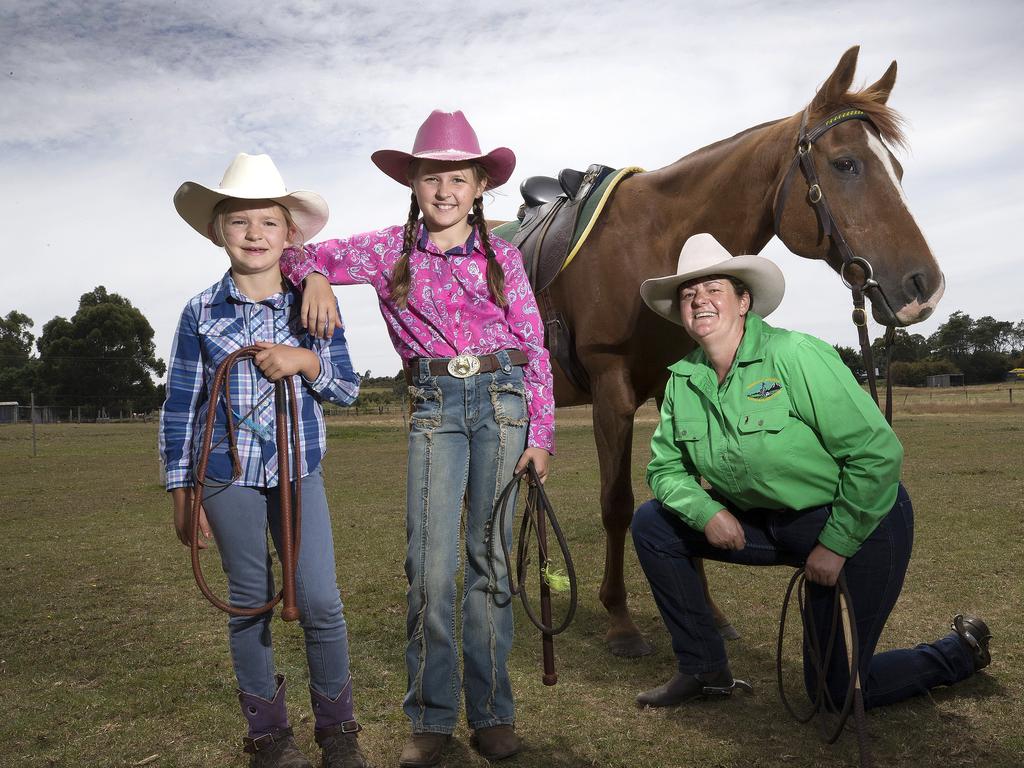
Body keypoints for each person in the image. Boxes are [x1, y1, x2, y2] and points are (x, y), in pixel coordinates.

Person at [279, 110, 554, 767]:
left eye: (457, 178)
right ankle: (430, 721)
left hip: (502, 403)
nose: (445, 191)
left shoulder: (504, 257)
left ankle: (492, 714)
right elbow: (293, 251)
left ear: (479, 186)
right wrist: (314, 274)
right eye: (433, 178)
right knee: (428, 567)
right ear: (415, 184)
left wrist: (540, 432)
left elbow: (535, 347)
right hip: (434, 408)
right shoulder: (385, 252)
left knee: (489, 562)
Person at [629, 232, 993, 710]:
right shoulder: (683, 381)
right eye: (688, 293)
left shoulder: (796, 355)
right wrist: (704, 512)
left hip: (855, 523)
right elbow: (665, 469)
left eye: (713, 289)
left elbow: (877, 453)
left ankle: (958, 653)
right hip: (766, 524)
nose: (700, 300)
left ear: (743, 302)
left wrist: (837, 543)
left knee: (834, 691)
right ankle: (704, 670)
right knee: (653, 524)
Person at [160, 153, 371, 768]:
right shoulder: (200, 312)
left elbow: (347, 386)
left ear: (289, 235)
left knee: (321, 600)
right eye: (239, 222)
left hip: (298, 471)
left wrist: (306, 361)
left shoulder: (312, 307)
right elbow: (181, 405)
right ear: (218, 231)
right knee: (248, 598)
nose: (254, 234)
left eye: (268, 223)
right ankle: (269, 736)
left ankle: (338, 728)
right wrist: (183, 489)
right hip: (226, 474)